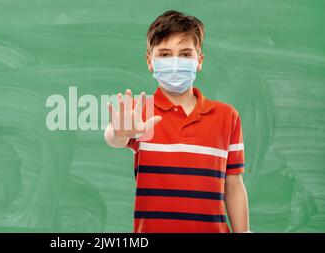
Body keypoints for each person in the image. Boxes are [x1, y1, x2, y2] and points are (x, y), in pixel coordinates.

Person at [104, 10, 250, 233]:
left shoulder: (227, 117)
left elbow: (234, 186)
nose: (174, 62)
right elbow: (113, 138)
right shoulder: (140, 111)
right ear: (149, 61)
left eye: (185, 54)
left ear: (199, 61)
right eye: (164, 54)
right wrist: (121, 132)